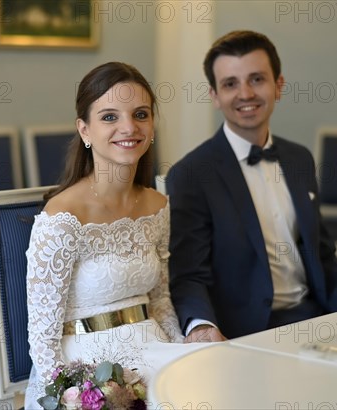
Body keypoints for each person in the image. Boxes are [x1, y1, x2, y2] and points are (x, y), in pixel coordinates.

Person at [25, 62, 204, 408]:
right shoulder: (62, 217)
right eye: (109, 117)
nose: (128, 127)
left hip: (153, 348)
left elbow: (161, 299)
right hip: (86, 368)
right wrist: (70, 396)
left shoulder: (157, 205)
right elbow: (43, 339)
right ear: (85, 130)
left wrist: (182, 348)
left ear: (152, 126)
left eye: (140, 114)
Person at [167, 30, 337, 343]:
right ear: (214, 96)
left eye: (256, 79)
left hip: (316, 320)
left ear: (278, 86)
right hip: (244, 334)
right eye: (230, 84)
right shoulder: (191, 174)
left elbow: (322, 253)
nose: (245, 93)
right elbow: (188, 275)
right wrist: (202, 326)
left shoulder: (299, 158)